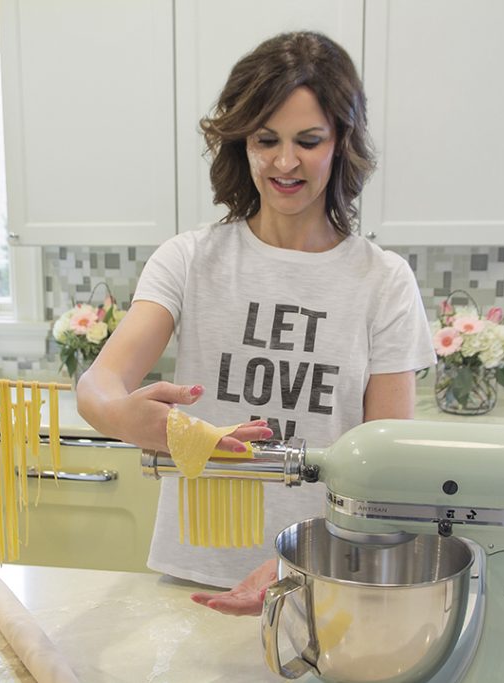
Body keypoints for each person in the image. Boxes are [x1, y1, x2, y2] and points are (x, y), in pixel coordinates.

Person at [76, 31, 434, 616]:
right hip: (194, 578)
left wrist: (307, 559)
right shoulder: (190, 260)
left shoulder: (383, 281)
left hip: (325, 580)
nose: (285, 162)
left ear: (341, 142)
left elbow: (391, 469)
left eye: (308, 141)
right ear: (241, 144)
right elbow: (97, 385)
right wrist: (121, 416)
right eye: (266, 140)